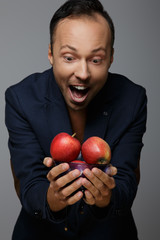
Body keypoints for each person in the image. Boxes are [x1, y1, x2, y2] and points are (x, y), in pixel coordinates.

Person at [5, 0, 147, 239]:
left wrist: (107, 197)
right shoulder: (21, 98)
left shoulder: (132, 99)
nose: (82, 73)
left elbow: (127, 182)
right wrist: (53, 198)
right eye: (69, 57)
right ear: (51, 53)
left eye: (96, 59)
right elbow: (28, 185)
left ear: (111, 57)